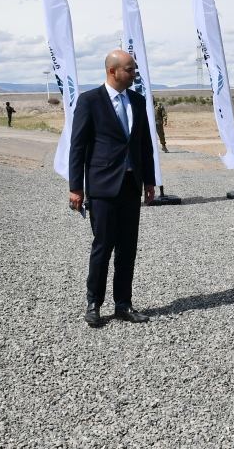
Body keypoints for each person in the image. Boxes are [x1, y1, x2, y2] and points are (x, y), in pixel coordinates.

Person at [69, 50, 156, 328]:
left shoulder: (138, 101)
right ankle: (94, 303)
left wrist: (150, 180)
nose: (134, 74)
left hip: (131, 185)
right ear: (113, 72)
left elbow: (144, 144)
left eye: (134, 70)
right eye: (130, 70)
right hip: (103, 186)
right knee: (103, 246)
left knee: (128, 248)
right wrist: (76, 188)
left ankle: (123, 304)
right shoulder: (90, 101)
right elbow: (78, 146)